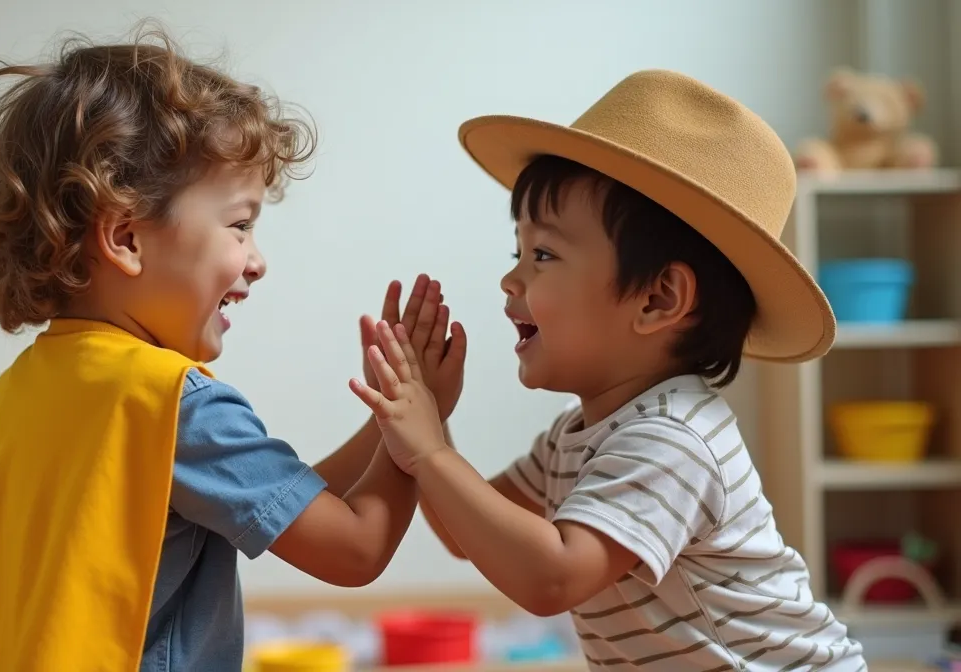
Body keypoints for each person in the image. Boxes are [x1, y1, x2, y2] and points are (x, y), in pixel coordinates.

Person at [0, 25, 466, 672]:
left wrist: (390, 423)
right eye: (240, 226)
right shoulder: (176, 406)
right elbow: (355, 548)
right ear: (126, 237)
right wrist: (422, 430)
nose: (257, 260)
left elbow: (285, 501)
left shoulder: (34, 385)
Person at [350, 70, 867, 670]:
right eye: (518, 251)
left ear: (657, 299)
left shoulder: (673, 439)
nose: (511, 279)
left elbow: (551, 578)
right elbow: (466, 533)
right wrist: (430, 418)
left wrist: (430, 452)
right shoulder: (576, 436)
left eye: (543, 254)